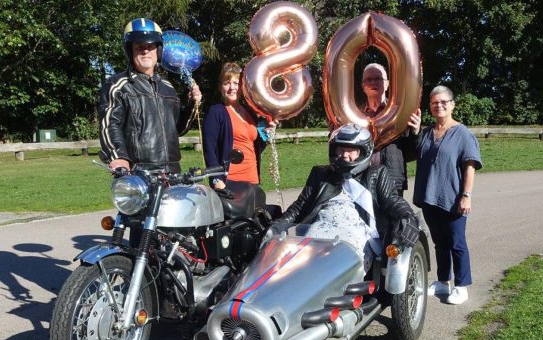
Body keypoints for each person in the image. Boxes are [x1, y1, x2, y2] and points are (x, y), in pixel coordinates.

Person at [272, 124, 420, 274]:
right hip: (318, 233)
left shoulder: (377, 173)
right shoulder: (320, 174)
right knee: (295, 268)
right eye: (341, 150)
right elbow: (299, 207)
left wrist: (407, 215)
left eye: (352, 151)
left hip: (357, 235)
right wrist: (277, 226)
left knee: (338, 268)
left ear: (364, 152)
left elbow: (391, 200)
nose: (345, 155)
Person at [98, 18, 202, 172]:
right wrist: (119, 157)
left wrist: (193, 104)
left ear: (158, 50)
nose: (145, 51)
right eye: (139, 46)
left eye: (150, 46)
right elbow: (109, 125)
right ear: (130, 49)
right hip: (138, 173)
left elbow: (178, 129)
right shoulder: (117, 85)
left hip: (173, 171)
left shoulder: (168, 88)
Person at [413, 85, 483, 305]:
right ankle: (443, 282)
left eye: (443, 102)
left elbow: (469, 166)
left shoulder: (463, 134)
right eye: (435, 103)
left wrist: (467, 195)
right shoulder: (426, 132)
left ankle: (461, 287)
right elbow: (415, 152)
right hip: (429, 197)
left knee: (456, 243)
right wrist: (415, 132)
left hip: (452, 198)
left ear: (452, 104)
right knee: (439, 242)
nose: (439, 106)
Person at [202, 62, 274, 191]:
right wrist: (216, 180)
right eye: (226, 83)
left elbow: (256, 146)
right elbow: (209, 150)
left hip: (252, 179)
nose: (232, 88)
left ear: (242, 87)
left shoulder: (250, 112)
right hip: (229, 181)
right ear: (220, 87)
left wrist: (267, 133)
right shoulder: (216, 112)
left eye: (236, 83)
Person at [361, 63, 422, 196]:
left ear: (387, 84)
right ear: (363, 86)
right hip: (360, 181)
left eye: (378, 78)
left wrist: (415, 132)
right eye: (368, 79)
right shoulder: (356, 115)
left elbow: (411, 154)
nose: (373, 82)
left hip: (392, 182)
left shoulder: (400, 115)